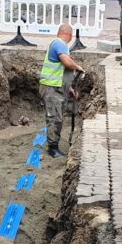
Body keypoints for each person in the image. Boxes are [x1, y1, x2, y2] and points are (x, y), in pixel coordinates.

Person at [38, 24, 85, 158]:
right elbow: (67, 63)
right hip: (51, 89)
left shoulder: (57, 45)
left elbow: (60, 72)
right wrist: (78, 67)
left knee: (56, 117)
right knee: (54, 118)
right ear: (69, 35)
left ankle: (54, 144)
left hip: (55, 87)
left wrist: (68, 88)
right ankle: (52, 148)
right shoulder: (60, 44)